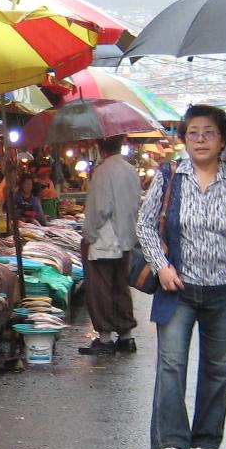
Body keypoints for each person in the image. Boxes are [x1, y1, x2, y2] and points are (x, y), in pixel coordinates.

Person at [137, 107, 226, 449]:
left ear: (223, 140)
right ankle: (170, 443)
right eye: (193, 133)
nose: (200, 140)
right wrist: (161, 266)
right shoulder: (170, 177)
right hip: (177, 289)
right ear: (184, 139)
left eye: (208, 133)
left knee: (218, 366)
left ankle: (207, 439)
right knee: (171, 363)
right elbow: (145, 226)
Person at [78, 136, 143, 355]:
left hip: (104, 241)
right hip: (126, 238)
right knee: (120, 287)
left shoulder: (103, 171)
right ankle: (126, 336)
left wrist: (88, 234)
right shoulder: (131, 170)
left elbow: (99, 209)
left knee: (100, 289)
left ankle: (105, 339)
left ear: (100, 146)